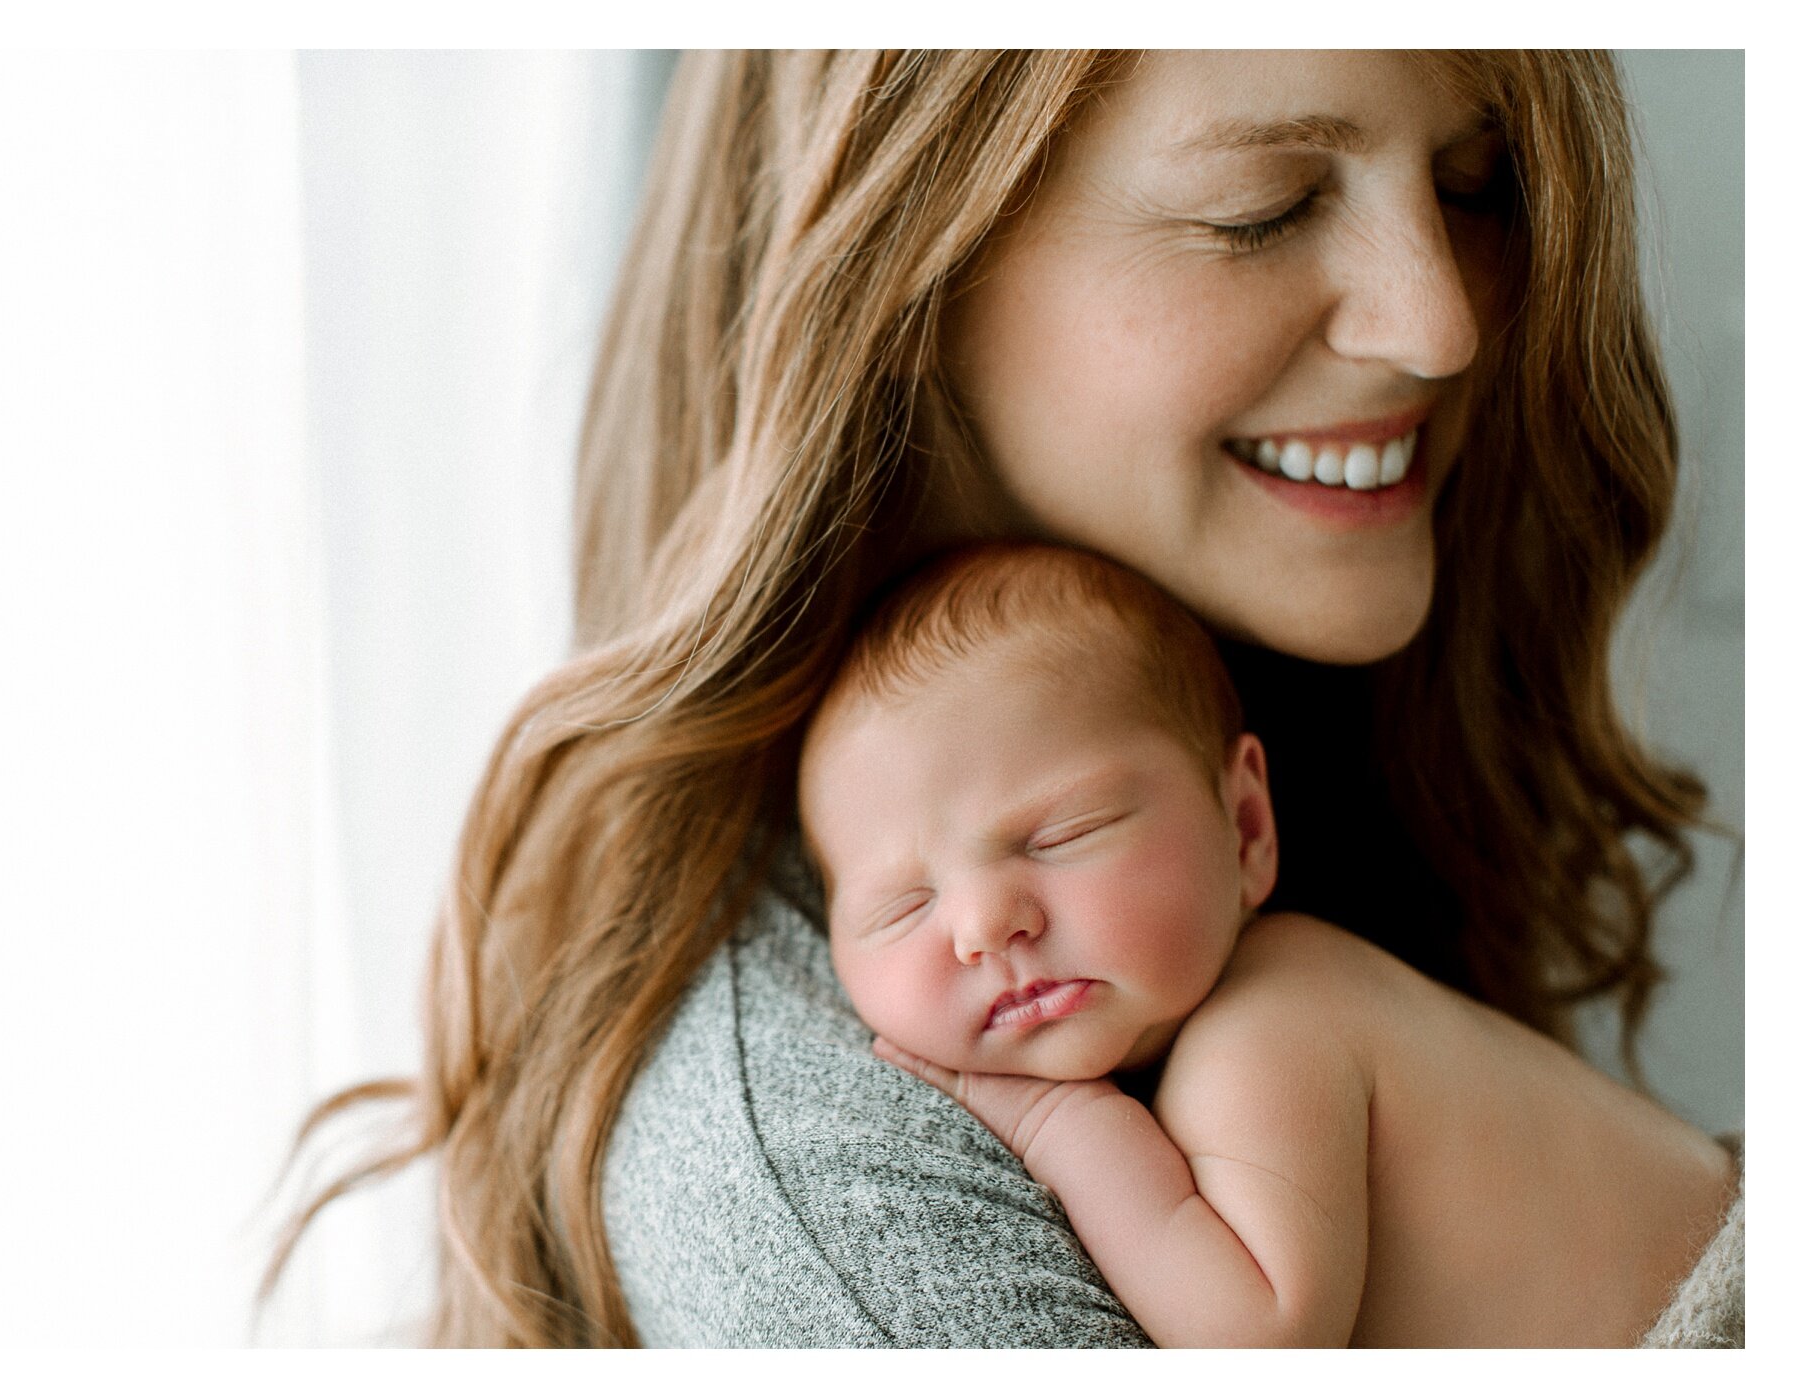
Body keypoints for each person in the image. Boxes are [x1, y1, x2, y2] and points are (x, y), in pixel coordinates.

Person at [266, 50, 1743, 1347]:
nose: (1442, 323)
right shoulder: (829, 1169)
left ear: (1245, 812)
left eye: (1479, 181)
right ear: (910, 255)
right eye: (1264, 206)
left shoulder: (1250, 858)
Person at [798, 540, 1733, 1347]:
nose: (983, 926)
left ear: (1244, 827)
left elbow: (1259, 1340)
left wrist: (1061, 1127)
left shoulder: (1272, 1022)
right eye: (902, 907)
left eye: (1061, 835)